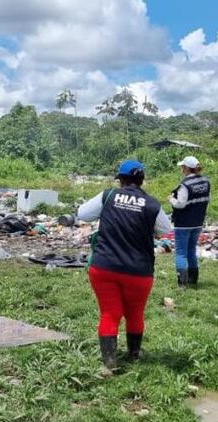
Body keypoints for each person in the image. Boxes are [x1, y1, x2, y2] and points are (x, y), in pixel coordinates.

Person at [77, 159, 172, 372]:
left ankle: (110, 363)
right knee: (135, 313)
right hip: (138, 271)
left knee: (109, 314)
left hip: (104, 268)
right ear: (141, 180)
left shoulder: (108, 196)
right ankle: (134, 354)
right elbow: (165, 230)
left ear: (120, 179)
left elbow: (82, 214)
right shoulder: (152, 204)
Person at [168, 156, 210, 289]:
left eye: (182, 167)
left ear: (186, 168)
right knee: (191, 250)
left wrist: (170, 199)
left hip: (183, 223)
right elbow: (208, 199)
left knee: (181, 252)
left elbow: (180, 204)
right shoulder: (206, 181)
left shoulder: (185, 185)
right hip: (198, 221)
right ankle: (193, 279)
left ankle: (182, 283)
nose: (181, 169)